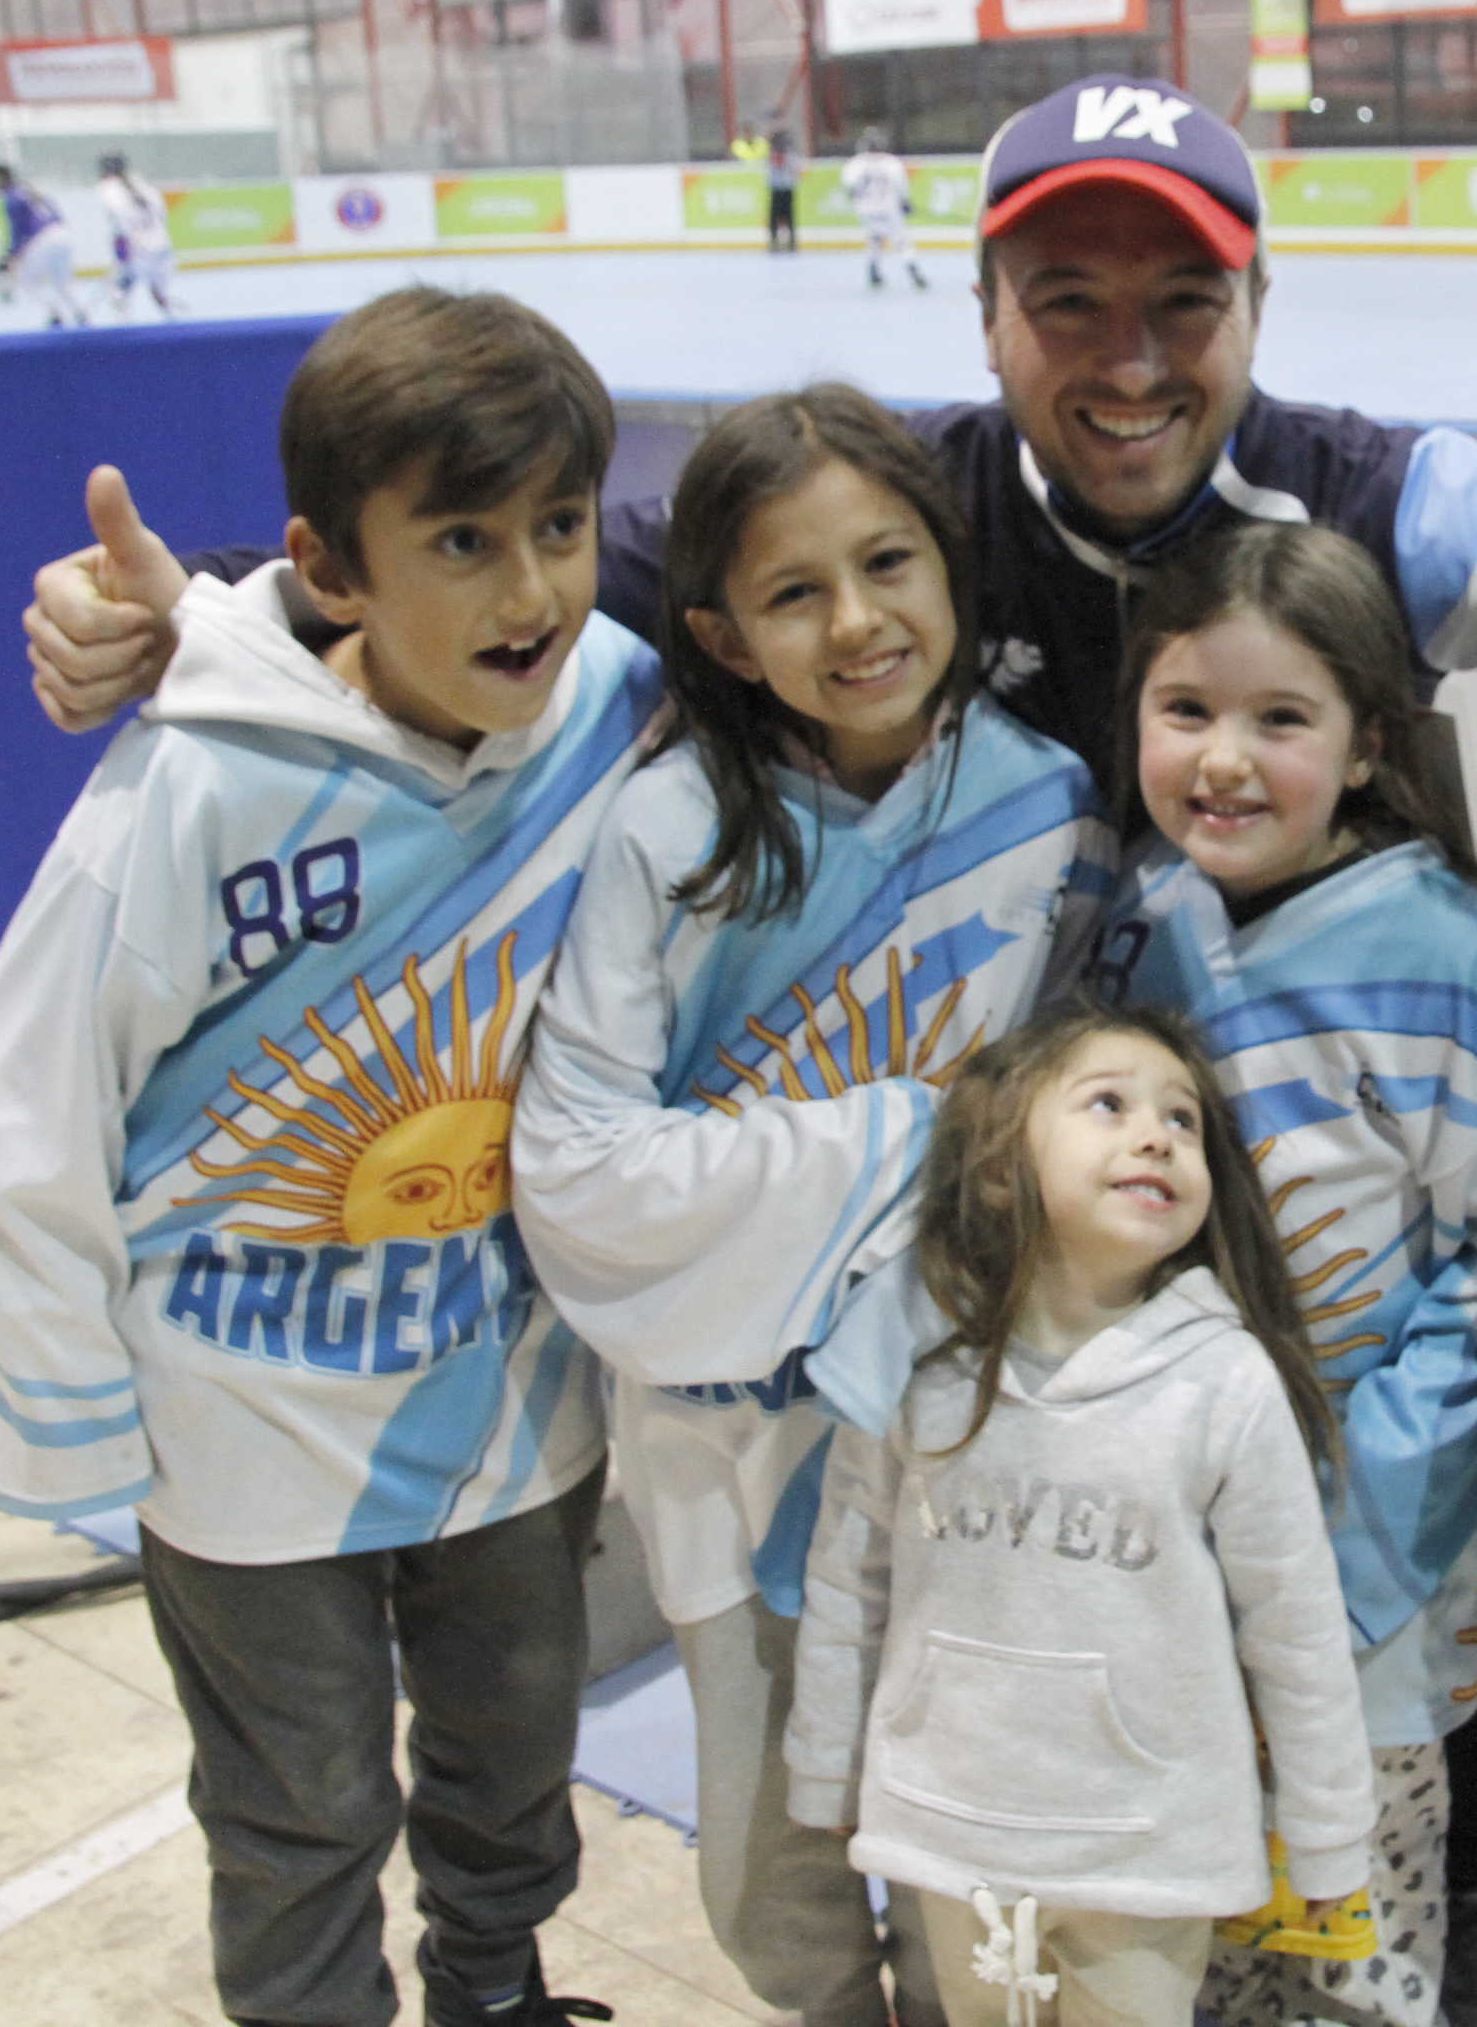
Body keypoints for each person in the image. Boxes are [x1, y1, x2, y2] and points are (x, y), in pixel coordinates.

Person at [15, 66, 1477, 2027]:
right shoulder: (917, 512)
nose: (1129, 359)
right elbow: (541, 585)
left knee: (1439, 1488)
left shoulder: (1375, 493)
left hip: (1334, 1150)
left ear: (1256, 311)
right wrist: (223, 608)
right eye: (1071, 300)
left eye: (1183, 303)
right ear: (987, 317)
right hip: (1069, 1244)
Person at [0, 287, 662, 2027]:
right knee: (299, 1809)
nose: (532, 590)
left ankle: (494, 1990)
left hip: (505, 1392)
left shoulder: (622, 704)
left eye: (562, 528)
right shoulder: (193, 784)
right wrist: (68, 1415)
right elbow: (31, 1102)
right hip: (245, 1418)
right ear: (331, 570)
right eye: (465, 541)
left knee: (508, 1761)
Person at [507, 384, 1112, 2027]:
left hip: (965, 1458)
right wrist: (916, 1133)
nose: (857, 621)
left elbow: (1062, 1163)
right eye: (794, 590)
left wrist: (796, 1192)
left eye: (889, 562)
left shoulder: (1047, 811)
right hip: (732, 1449)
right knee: (776, 1879)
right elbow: (584, 1185)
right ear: (716, 625)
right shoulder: (666, 835)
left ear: (953, 566)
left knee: (972, 1872)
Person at [1081, 524, 1477, 2027]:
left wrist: (1339, 1564)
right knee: (1180, 1938)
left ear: (1364, 748)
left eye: (1282, 720)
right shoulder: (1139, 919)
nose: (1224, 759)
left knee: (1346, 1943)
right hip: (1164, 1547)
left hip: (1364, 1571)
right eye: (1187, 710)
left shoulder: (1449, 951)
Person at [784, 1001, 1377, 2027]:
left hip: (1149, 1846)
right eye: (1108, 1104)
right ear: (1002, 1169)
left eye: (1184, 1121)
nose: (1157, 1134)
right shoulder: (918, 1368)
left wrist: (1327, 1837)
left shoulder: (1226, 1383)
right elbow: (849, 1579)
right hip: (952, 1828)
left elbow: (1297, 1631)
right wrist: (826, 1769)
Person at [0, 163, 81, 329]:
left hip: (44, 238)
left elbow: (19, 231)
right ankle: (80, 314)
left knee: (25, 278)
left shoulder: (12, 198)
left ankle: (54, 315)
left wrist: (10, 256)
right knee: (63, 282)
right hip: (63, 234)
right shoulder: (29, 190)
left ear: (1, 177)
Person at [98, 150, 184, 321]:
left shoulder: (107, 189)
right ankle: (178, 329)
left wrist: (122, 255)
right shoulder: (142, 184)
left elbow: (120, 225)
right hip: (162, 243)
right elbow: (162, 215)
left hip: (138, 247)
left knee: (117, 291)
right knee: (160, 295)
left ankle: (124, 335)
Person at [840, 126, 927, 290]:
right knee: (901, 240)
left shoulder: (855, 164)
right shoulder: (891, 163)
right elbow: (902, 186)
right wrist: (905, 202)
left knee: (874, 238)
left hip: (866, 209)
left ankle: (873, 270)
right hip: (888, 209)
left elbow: (850, 187)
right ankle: (913, 270)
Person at [767, 124, 803, 253]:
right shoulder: (772, 152)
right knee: (775, 216)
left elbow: (796, 168)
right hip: (777, 186)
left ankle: (791, 240)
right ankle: (774, 239)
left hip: (786, 185)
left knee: (788, 215)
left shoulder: (789, 153)